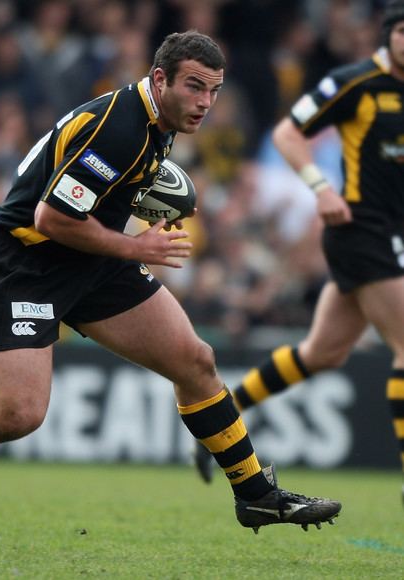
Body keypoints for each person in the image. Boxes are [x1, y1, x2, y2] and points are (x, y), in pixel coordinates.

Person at [0, 31, 341, 533]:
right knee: (17, 415)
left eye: (214, 90)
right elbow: (51, 217)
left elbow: (96, 190)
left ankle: (256, 495)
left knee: (195, 361)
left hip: (91, 256)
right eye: (195, 87)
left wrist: (145, 202)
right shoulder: (120, 127)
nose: (205, 103)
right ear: (160, 79)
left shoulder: (160, 119)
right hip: (27, 263)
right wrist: (138, 246)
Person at [194, 1, 404, 502]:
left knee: (322, 353)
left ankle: (222, 421)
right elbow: (289, 133)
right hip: (361, 231)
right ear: (389, 34)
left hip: (385, 235)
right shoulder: (356, 82)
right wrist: (320, 187)